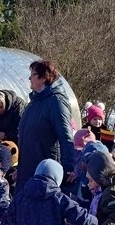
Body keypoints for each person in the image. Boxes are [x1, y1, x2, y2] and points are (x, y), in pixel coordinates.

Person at [16, 59, 75, 189]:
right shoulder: (34, 102)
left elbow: (66, 137)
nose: (29, 78)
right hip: (27, 171)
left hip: (44, 173)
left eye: (33, 74)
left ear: (44, 77)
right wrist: (20, 168)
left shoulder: (56, 102)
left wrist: (68, 168)